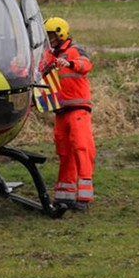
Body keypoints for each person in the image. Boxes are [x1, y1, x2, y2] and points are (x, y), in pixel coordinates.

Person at [39, 17, 96, 211]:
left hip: (78, 108)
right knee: (64, 152)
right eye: (47, 36)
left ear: (61, 33)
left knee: (81, 147)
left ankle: (84, 197)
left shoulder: (75, 50)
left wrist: (70, 63)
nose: (50, 39)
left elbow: (86, 65)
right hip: (61, 110)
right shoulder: (47, 55)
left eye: (52, 35)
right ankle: (65, 196)